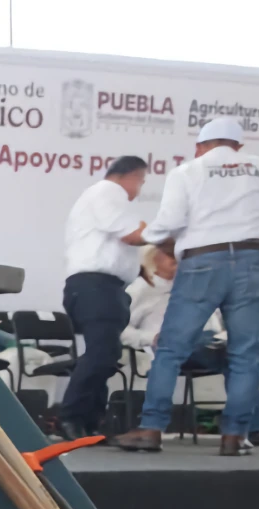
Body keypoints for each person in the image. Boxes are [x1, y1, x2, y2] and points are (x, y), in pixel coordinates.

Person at [109, 117, 259, 456]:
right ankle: (235, 436)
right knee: (246, 353)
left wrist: (145, 237)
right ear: (239, 146)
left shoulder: (187, 171)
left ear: (199, 147)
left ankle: (152, 428)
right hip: (252, 260)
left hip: (203, 261)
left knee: (170, 348)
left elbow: (170, 222)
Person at [122, 242, 259, 448]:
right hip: (174, 347)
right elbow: (121, 331)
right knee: (238, 353)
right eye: (170, 256)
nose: (177, 261)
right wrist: (152, 337)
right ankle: (237, 434)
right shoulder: (141, 289)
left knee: (247, 354)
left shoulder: (199, 284)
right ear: (153, 258)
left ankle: (249, 430)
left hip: (210, 343)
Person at [57, 156, 149, 439]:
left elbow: (110, 246)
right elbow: (131, 235)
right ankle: (70, 418)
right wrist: (167, 234)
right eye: (141, 182)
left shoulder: (100, 197)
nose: (139, 190)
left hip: (101, 288)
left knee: (107, 354)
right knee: (101, 353)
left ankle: (90, 421)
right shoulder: (109, 191)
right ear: (131, 175)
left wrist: (137, 268)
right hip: (95, 287)